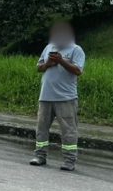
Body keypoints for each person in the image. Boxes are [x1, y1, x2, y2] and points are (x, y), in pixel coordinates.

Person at [30, 21, 86, 171]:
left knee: (68, 131)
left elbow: (78, 70)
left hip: (66, 98)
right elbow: (39, 67)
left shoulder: (76, 50)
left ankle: (69, 161)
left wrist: (61, 61)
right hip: (46, 96)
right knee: (41, 128)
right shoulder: (48, 47)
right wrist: (48, 64)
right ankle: (40, 156)